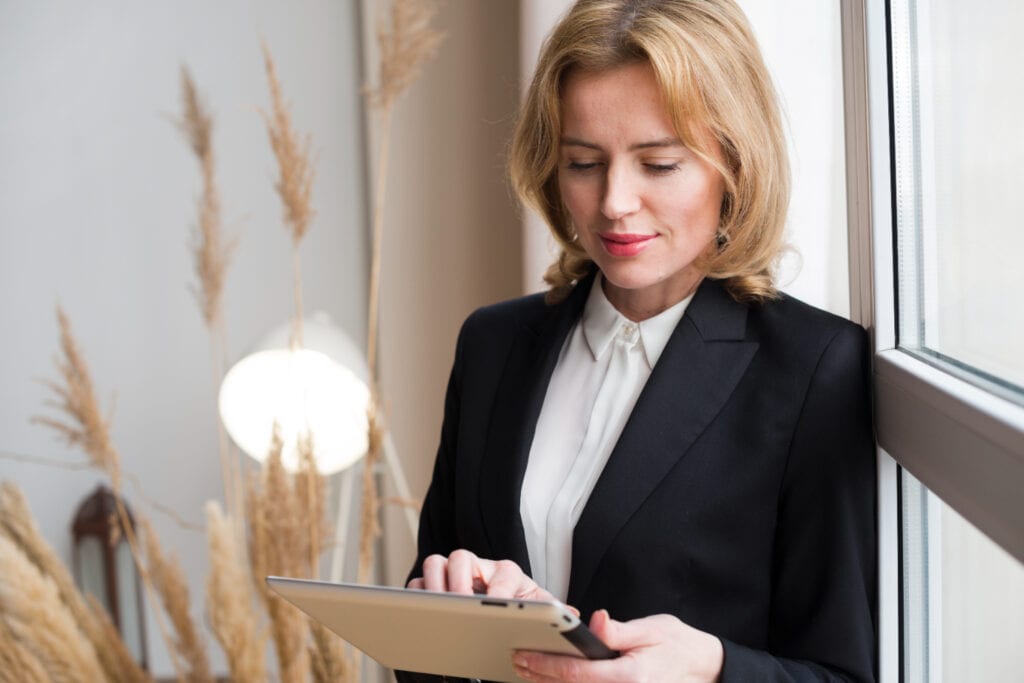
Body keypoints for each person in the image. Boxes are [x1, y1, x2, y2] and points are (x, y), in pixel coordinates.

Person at [399, 0, 876, 681]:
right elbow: (425, 627)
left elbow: (842, 673)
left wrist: (712, 668)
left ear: (735, 164)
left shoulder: (813, 369)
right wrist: (452, 596)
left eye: (659, 164)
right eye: (583, 162)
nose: (614, 202)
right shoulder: (492, 345)